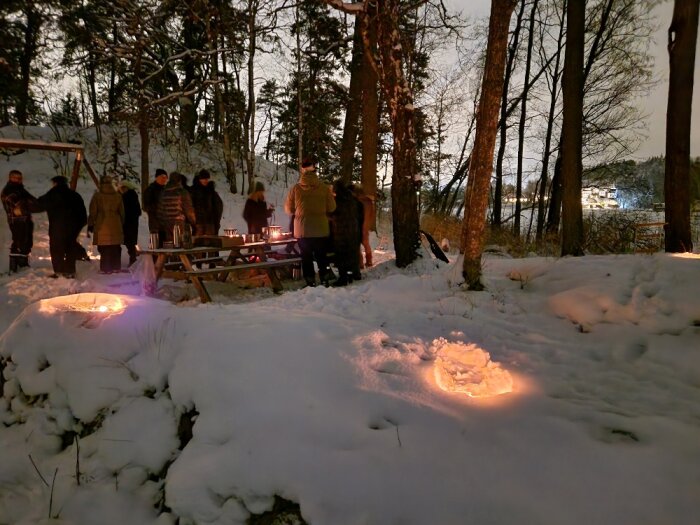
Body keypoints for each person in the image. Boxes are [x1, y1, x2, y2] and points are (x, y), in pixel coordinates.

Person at [284, 157, 336, 287]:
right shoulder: (324, 188)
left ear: (303, 170)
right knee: (321, 256)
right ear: (314, 171)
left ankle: (310, 281)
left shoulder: (295, 189)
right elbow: (332, 207)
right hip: (321, 229)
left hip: (303, 230)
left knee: (306, 256)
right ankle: (324, 278)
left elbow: (289, 209)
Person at [36, 175, 87, 278]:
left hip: (57, 229)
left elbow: (38, 205)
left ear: (55, 183)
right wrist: (77, 228)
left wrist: (22, 209)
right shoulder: (75, 195)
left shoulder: (52, 195)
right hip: (72, 229)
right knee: (70, 249)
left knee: (56, 250)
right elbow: (83, 215)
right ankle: (70, 271)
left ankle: (59, 271)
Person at [1, 170, 39, 272]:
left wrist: (39, 204)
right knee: (19, 241)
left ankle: (23, 264)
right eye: (16, 177)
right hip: (16, 220)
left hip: (25, 218)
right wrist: (29, 205)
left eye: (20, 178)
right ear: (10, 178)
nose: (18, 180)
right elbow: (19, 204)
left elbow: (32, 200)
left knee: (26, 241)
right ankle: (15, 267)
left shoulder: (20, 189)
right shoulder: (8, 191)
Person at [88, 175, 125, 274]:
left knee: (104, 247)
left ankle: (106, 268)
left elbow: (93, 211)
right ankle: (116, 266)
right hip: (116, 223)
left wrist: (91, 223)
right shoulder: (118, 196)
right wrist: (121, 223)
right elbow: (122, 212)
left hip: (102, 223)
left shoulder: (97, 196)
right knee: (115, 247)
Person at [330, 180, 363, 286]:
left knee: (341, 255)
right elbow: (359, 215)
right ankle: (354, 274)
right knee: (352, 253)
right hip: (354, 230)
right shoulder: (354, 200)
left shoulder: (336, 201)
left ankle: (343, 278)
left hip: (341, 232)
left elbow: (332, 214)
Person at [156, 171, 196, 244]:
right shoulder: (182, 192)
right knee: (180, 243)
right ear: (179, 180)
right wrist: (193, 221)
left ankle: (172, 255)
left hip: (167, 222)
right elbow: (188, 208)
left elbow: (160, 210)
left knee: (170, 244)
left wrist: (162, 223)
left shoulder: (163, 192)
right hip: (179, 222)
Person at [190, 169, 223, 237]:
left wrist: (216, 222)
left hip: (209, 223)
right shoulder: (193, 191)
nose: (205, 181)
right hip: (198, 224)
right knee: (198, 243)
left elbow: (218, 207)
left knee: (210, 242)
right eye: (203, 179)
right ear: (199, 179)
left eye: (207, 179)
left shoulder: (211, 192)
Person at [119, 180, 141, 266]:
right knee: (130, 241)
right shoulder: (132, 195)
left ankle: (133, 257)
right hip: (131, 223)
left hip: (128, 223)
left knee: (129, 241)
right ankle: (133, 256)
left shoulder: (127, 196)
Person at [143, 168, 168, 246]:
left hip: (166, 222)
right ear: (157, 177)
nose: (164, 179)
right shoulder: (150, 190)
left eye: (165, 177)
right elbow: (146, 206)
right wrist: (158, 208)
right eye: (162, 177)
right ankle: (156, 258)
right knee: (156, 243)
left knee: (166, 243)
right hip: (155, 222)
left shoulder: (166, 190)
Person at [353, 184, 375, 268]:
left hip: (358, 224)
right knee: (366, 243)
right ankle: (369, 261)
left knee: (357, 244)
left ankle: (360, 263)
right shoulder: (368, 201)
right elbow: (371, 214)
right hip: (365, 225)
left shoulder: (357, 202)